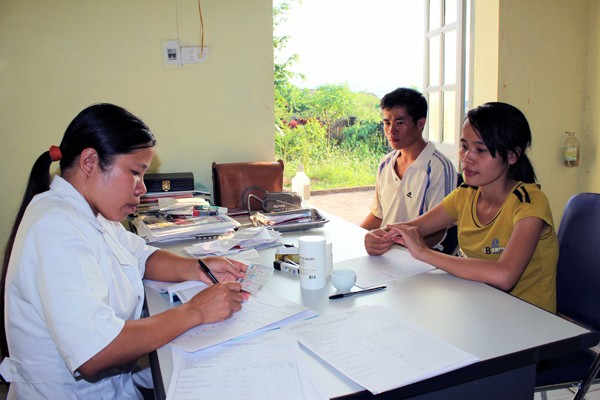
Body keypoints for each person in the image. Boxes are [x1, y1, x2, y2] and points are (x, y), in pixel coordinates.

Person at [0, 103, 249, 399]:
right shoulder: (55, 227)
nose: (142, 188)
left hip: (115, 387)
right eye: (135, 172)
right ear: (90, 162)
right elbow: (95, 352)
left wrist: (196, 268)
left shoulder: (91, 213)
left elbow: (141, 255)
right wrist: (195, 311)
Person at [365, 102, 558, 313]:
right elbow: (412, 228)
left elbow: (504, 275)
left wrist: (424, 252)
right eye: (464, 146)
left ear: (512, 155)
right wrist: (379, 236)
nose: (467, 158)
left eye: (481, 150)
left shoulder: (530, 202)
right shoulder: (466, 194)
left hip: (529, 320)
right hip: (479, 307)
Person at [360, 88, 457, 249]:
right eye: (387, 123)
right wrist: (357, 237)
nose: (391, 130)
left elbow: (437, 231)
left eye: (400, 122)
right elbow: (379, 216)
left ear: (420, 124)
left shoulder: (438, 167)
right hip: (387, 251)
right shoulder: (385, 164)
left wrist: (399, 248)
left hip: (423, 257)